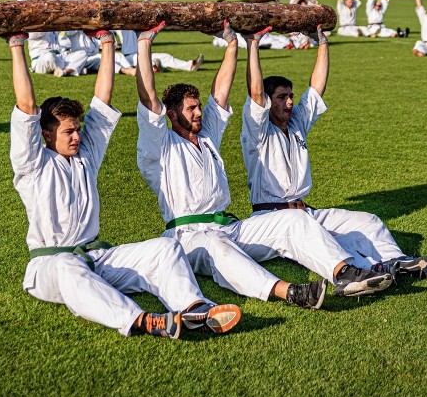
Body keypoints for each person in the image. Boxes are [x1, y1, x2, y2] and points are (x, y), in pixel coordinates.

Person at [135, 21, 393, 308]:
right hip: (189, 237)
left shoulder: (207, 138)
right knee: (218, 247)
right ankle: (291, 292)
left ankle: (345, 273)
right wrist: (144, 44)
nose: (199, 113)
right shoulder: (160, 147)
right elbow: (148, 99)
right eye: (191, 109)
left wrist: (232, 43)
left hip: (230, 227)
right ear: (171, 114)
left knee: (295, 220)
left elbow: (220, 93)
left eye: (198, 107)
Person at [5, 29, 241, 339]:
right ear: (46, 135)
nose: (78, 136)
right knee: (67, 266)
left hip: (96, 257)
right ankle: (144, 320)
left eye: (78, 129)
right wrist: (17, 44)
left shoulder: (86, 156)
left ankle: (195, 307)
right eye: (68, 132)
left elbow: (102, 103)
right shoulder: (32, 164)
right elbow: (25, 105)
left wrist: (105, 41)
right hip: (50, 266)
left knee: (165, 247)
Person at [241, 23, 427, 279]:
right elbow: (256, 92)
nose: (290, 102)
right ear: (268, 103)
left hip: (304, 210)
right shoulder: (258, 131)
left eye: (290, 96)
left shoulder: (297, 123)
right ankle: (355, 274)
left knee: (367, 221)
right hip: (270, 217)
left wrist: (322, 43)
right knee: (323, 239)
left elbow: (316, 89)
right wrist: (253, 45)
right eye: (282, 97)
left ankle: (396, 261)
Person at [113, 0, 203, 74]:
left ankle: (190, 66)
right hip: (130, 57)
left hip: (143, 52)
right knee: (150, 62)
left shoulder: (141, 21)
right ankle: (155, 68)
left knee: (166, 57)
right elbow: (121, 7)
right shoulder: (124, 24)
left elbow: (147, 5)